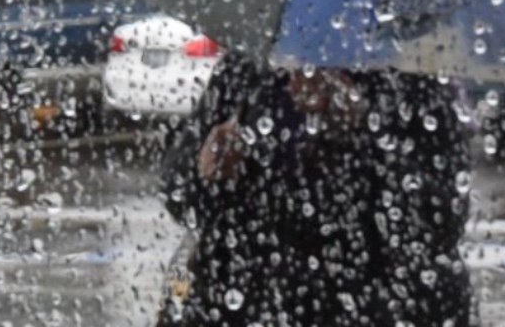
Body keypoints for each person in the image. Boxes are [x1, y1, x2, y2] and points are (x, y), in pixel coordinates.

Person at [159, 53, 477, 327]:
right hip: (250, 302)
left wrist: (362, 132)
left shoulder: (412, 76)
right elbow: (177, 192)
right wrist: (205, 167)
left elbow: (443, 219)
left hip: (371, 306)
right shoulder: (249, 69)